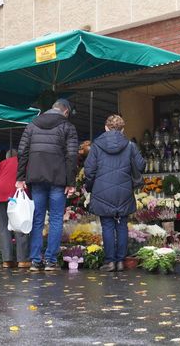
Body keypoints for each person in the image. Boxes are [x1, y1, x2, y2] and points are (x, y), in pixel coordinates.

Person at [16, 99, 78, 271]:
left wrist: (20, 177)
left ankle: (36, 260)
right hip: (58, 179)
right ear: (66, 112)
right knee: (56, 219)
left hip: (36, 178)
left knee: (37, 219)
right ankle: (50, 260)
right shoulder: (67, 127)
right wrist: (71, 182)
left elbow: (22, 152)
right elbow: (72, 155)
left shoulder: (31, 125)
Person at [84, 115, 145, 272]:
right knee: (122, 225)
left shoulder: (96, 146)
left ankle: (110, 261)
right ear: (123, 129)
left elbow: (89, 171)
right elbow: (141, 165)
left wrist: (90, 188)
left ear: (106, 127)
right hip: (124, 191)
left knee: (107, 226)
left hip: (102, 192)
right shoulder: (130, 145)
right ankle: (120, 261)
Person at [0, 150, 31, 269]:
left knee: (4, 227)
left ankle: (7, 260)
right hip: (15, 195)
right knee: (20, 225)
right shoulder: (25, 162)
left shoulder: (3, 163)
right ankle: (23, 260)